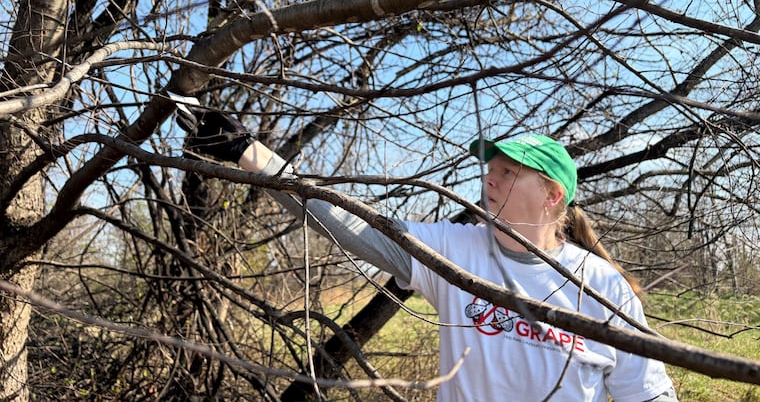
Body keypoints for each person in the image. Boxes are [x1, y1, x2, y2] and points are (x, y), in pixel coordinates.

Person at [176, 107, 678, 402]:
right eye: (491, 169)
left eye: (508, 172)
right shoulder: (453, 250)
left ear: (552, 197)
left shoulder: (602, 287)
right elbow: (343, 220)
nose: (490, 178)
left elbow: (648, 395)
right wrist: (246, 150)